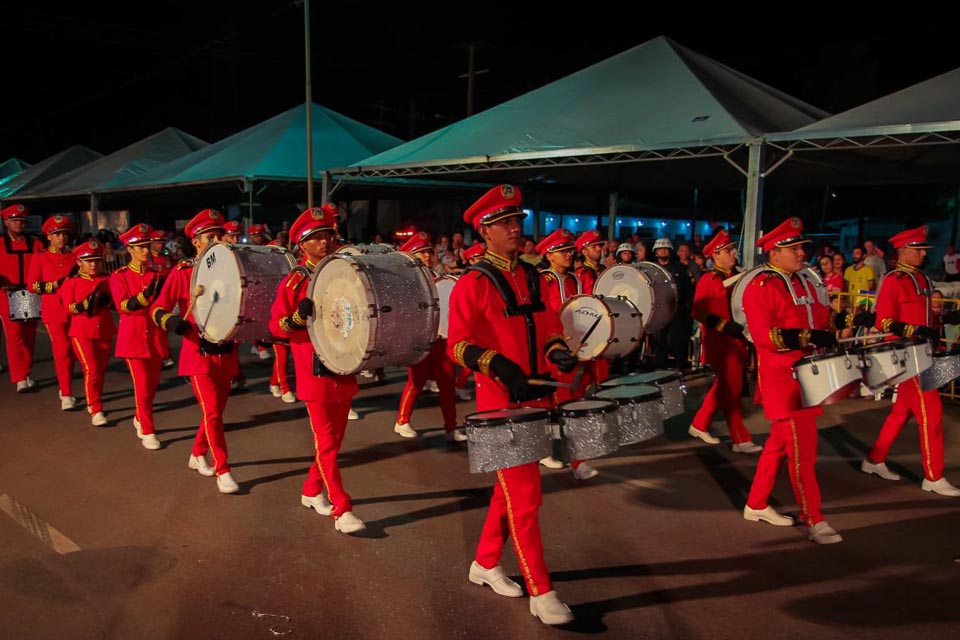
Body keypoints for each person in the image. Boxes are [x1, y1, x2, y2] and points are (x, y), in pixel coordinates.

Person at [447, 184, 579, 626]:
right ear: (484, 231)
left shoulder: (536, 277)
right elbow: (457, 345)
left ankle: (485, 562)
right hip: (499, 403)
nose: (515, 228)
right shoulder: (473, 283)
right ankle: (542, 590)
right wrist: (494, 362)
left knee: (510, 493)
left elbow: (548, 327)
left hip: (538, 395)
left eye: (517, 221)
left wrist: (557, 350)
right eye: (505, 223)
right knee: (525, 497)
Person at [740, 217, 871, 544]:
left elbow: (821, 321)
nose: (802, 253)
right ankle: (814, 518)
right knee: (803, 451)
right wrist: (807, 336)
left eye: (801, 247)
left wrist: (846, 320)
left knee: (780, 445)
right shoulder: (761, 286)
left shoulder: (803, 282)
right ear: (775, 251)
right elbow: (764, 337)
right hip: (784, 379)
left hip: (807, 376)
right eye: (794, 248)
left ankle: (755, 503)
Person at [269, 204, 366, 533]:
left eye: (328, 235)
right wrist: (295, 319)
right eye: (316, 238)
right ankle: (343, 508)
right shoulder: (295, 281)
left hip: (343, 365)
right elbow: (275, 326)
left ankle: (311, 490)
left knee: (334, 441)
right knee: (326, 440)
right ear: (302, 245)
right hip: (313, 369)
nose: (325, 242)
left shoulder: (343, 274)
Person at [861, 225, 960, 496]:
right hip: (907, 354)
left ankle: (874, 459)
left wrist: (945, 319)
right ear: (904, 251)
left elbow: (926, 317)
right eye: (918, 250)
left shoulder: (923, 279)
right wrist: (914, 330)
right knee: (932, 413)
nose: (923, 255)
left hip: (923, 352)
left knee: (902, 411)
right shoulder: (894, 280)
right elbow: (883, 320)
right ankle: (933, 475)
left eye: (923, 250)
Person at [151, 209, 241, 494]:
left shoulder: (233, 270)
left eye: (217, 235)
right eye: (207, 237)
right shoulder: (183, 272)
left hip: (226, 351)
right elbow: (157, 308)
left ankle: (197, 452)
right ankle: (223, 469)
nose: (214, 240)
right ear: (196, 243)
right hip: (197, 352)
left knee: (215, 412)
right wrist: (172, 321)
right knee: (213, 412)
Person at [688, 230, 761, 453]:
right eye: (728, 251)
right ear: (716, 255)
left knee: (725, 385)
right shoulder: (708, 279)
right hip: (720, 341)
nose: (733, 254)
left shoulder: (740, 276)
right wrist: (723, 325)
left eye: (732, 250)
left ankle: (699, 424)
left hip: (738, 338)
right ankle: (740, 439)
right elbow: (698, 311)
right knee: (732, 388)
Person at [535, 228, 599, 480]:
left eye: (570, 250)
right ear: (549, 255)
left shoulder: (575, 279)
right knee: (565, 401)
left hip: (576, 347)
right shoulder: (544, 280)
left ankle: (546, 449)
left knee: (562, 400)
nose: (569, 254)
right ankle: (579, 462)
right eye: (563, 251)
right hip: (554, 350)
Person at [392, 231, 464, 442]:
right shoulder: (404, 283)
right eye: (419, 253)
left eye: (427, 252)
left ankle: (451, 427)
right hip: (420, 340)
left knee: (447, 384)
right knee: (416, 382)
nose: (425, 257)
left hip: (441, 340)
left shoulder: (439, 278)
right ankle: (402, 420)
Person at [110, 224, 166, 449]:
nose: (145, 251)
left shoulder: (157, 275)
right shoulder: (119, 276)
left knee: (152, 385)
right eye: (140, 247)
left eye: (146, 246)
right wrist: (144, 297)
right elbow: (123, 305)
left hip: (154, 335)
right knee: (142, 384)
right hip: (133, 336)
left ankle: (139, 415)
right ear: (130, 250)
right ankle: (148, 428)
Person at [60, 240, 115, 427]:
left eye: (96, 260)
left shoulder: (106, 279)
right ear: (79, 262)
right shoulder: (72, 283)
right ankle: (95, 407)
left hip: (104, 329)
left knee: (100, 370)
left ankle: (95, 399)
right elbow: (69, 308)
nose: (93, 264)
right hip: (82, 331)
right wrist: (87, 303)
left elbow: (113, 302)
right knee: (91, 369)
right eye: (88, 260)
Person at [27, 214, 78, 409]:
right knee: (62, 350)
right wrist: (54, 285)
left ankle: (66, 385)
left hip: (74, 309)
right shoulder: (40, 257)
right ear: (48, 236)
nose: (61, 238)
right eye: (56, 234)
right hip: (53, 309)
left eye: (64, 234)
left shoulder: (74, 256)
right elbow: (32, 286)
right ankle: (66, 393)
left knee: (73, 350)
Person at [0, 203, 43, 391]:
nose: (18, 224)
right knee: (14, 336)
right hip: (6, 294)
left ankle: (25, 373)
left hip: (28, 293)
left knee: (28, 336)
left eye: (21, 221)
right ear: (5, 221)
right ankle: (20, 378)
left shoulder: (35, 243)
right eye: (14, 220)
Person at [651, 237, 696, 371]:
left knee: (678, 340)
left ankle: (680, 368)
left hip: (677, 310)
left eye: (666, 249)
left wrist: (686, 309)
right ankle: (659, 369)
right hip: (658, 310)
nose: (663, 251)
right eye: (660, 249)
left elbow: (689, 290)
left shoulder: (680, 269)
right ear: (655, 252)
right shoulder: (651, 268)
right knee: (659, 341)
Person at [452, 242, 487, 398]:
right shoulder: (468, 279)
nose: (483, 261)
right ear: (471, 261)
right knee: (473, 359)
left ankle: (459, 385)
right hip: (474, 326)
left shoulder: (489, 276)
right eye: (479, 258)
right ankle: (459, 386)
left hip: (486, 324)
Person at [148, 229, 175, 368]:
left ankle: (163, 355)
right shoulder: (147, 258)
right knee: (155, 330)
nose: (160, 245)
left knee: (161, 330)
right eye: (157, 242)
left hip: (164, 295)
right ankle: (162, 355)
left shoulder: (167, 256)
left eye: (162, 242)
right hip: (150, 295)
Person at [843, 245, 876, 310]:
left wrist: (861, 306)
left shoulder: (868, 270)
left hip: (862, 307)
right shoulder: (848, 270)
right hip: (849, 305)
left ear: (864, 255)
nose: (854, 256)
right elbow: (845, 288)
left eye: (857, 253)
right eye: (854, 253)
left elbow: (872, 289)